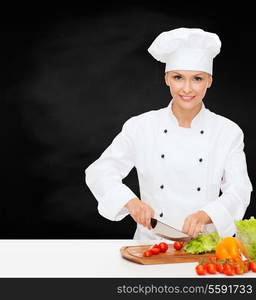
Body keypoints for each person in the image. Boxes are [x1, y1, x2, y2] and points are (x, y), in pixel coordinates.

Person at [85, 28, 253, 240]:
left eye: (198, 79)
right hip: (150, 245)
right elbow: (100, 171)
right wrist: (131, 202)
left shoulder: (228, 132)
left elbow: (239, 190)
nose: (187, 88)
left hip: (203, 246)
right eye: (178, 77)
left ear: (209, 81)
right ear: (167, 79)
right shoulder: (140, 126)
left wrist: (206, 215)